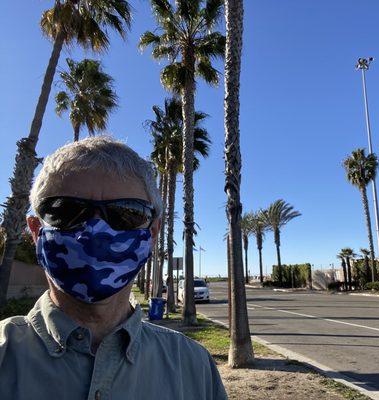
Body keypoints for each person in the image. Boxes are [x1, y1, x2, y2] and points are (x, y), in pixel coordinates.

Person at [0, 137, 227, 400]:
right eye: (67, 211)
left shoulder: (194, 368)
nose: (95, 232)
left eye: (126, 213)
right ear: (36, 231)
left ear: (152, 234)